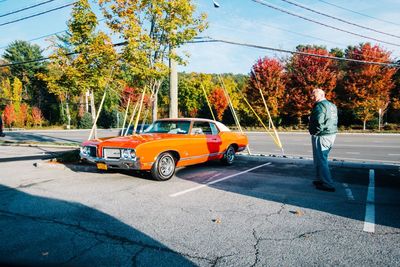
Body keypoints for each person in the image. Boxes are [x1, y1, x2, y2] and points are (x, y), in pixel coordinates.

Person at [309, 88, 338, 192]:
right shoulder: (332, 105)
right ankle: (319, 179)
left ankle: (328, 183)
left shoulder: (320, 106)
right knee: (319, 158)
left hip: (322, 135)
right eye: (312, 95)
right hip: (331, 133)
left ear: (321, 95)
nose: (312, 97)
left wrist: (314, 132)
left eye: (314, 95)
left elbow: (318, 122)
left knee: (321, 159)